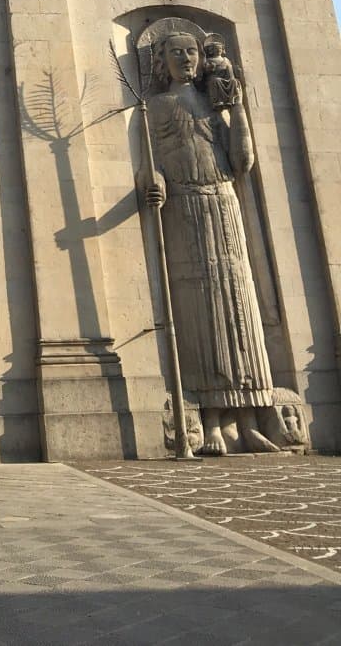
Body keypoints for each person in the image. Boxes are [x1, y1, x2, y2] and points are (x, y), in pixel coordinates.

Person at [138, 29, 278, 456]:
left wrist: (236, 107)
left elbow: (242, 162)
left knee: (240, 304)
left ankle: (250, 418)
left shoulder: (215, 104)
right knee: (201, 309)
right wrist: (153, 181)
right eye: (176, 52)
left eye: (192, 51)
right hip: (185, 208)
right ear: (161, 61)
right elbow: (149, 162)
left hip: (223, 202)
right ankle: (212, 418)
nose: (186, 58)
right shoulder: (155, 106)